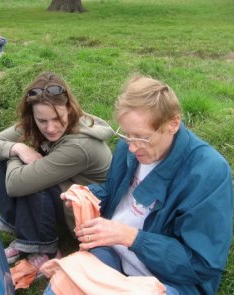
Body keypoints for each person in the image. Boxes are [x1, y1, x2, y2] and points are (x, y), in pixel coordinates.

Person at [46, 75, 233, 295]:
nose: (133, 148)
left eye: (142, 138)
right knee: (63, 283)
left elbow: (201, 264)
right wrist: (89, 195)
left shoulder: (208, 173)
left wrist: (131, 237)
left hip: (168, 279)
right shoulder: (131, 146)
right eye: (126, 135)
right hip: (114, 252)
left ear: (173, 123)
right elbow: (115, 192)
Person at [0, 72, 114, 275]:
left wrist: (17, 154)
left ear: (69, 110)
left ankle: (47, 251)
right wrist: (19, 148)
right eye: (42, 120)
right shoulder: (38, 123)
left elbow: (16, 185)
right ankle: (25, 236)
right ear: (32, 116)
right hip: (67, 195)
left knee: (26, 178)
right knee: (13, 156)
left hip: (86, 218)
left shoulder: (80, 145)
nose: (50, 128)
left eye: (57, 118)